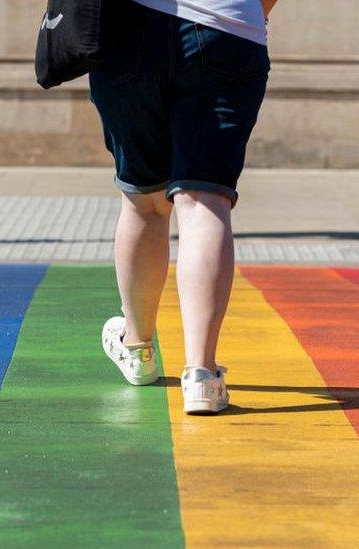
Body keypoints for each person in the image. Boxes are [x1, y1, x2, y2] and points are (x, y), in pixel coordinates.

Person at [95, 0, 277, 414]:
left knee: (144, 201)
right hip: (227, 29)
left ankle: (138, 348)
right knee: (204, 199)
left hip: (130, 29)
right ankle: (201, 375)